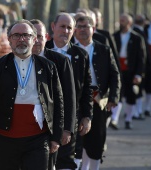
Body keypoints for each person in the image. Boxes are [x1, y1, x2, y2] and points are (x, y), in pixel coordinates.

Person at [0, 19, 64, 170]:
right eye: (16, 35)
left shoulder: (48, 67)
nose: (21, 39)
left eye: (26, 35)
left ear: (34, 39)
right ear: (9, 40)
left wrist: (56, 137)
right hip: (5, 139)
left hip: (38, 139)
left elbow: (58, 103)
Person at [46, 12, 93, 170]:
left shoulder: (81, 55)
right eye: (62, 27)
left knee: (67, 162)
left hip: (70, 119)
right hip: (44, 119)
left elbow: (87, 88)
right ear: (53, 27)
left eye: (69, 28)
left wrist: (87, 116)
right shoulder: (41, 52)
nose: (65, 31)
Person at [74, 16, 121, 170]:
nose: (82, 30)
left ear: (93, 29)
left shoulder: (104, 49)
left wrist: (113, 97)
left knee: (97, 140)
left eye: (86, 26)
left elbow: (115, 75)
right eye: (79, 26)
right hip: (76, 101)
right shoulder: (68, 49)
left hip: (98, 99)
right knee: (76, 141)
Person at [30, 19, 76, 170]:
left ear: (47, 37)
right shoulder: (14, 62)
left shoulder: (60, 61)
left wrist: (67, 129)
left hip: (51, 128)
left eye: (40, 36)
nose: (37, 41)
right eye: (33, 36)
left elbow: (69, 96)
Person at [113, 13, 145, 129]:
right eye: (120, 20)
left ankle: (128, 119)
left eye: (123, 20)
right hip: (118, 70)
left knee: (131, 96)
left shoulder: (137, 38)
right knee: (118, 94)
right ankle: (114, 119)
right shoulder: (114, 36)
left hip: (131, 71)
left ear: (129, 23)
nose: (121, 22)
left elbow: (141, 58)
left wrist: (139, 74)